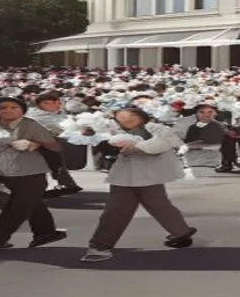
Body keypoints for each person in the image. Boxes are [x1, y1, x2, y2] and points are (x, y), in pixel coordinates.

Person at [81, 107, 196, 262]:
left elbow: (160, 145)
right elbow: (101, 142)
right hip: (124, 177)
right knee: (116, 211)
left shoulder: (156, 129)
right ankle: (100, 246)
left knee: (161, 207)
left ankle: (181, 232)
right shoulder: (113, 131)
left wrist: (134, 147)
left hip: (149, 176)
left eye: (130, 116)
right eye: (121, 117)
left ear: (141, 116)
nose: (126, 119)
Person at [0, 97, 67, 250]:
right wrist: (7, 145)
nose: (9, 110)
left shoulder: (28, 124)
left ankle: (46, 232)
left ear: (22, 110)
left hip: (22, 169)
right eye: (3, 108)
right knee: (23, 202)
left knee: (30, 200)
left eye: (14, 107)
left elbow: (53, 145)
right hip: (16, 170)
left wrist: (34, 144)